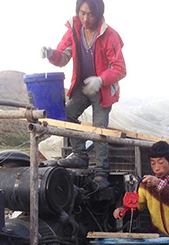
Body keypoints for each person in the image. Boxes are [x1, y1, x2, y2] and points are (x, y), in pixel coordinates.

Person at [41, 0, 127, 190]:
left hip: (103, 89)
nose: (86, 18)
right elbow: (62, 57)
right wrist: (51, 54)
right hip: (82, 85)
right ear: (77, 11)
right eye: (82, 13)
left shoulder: (109, 35)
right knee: (68, 114)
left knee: (99, 129)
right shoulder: (74, 30)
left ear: (99, 14)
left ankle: (101, 171)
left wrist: (101, 80)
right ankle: (80, 155)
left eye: (90, 14)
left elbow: (120, 69)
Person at [113, 141, 169, 245]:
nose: (156, 167)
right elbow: (137, 207)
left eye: (160, 162)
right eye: (152, 163)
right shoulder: (146, 184)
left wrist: (159, 184)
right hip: (155, 238)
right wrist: (123, 210)